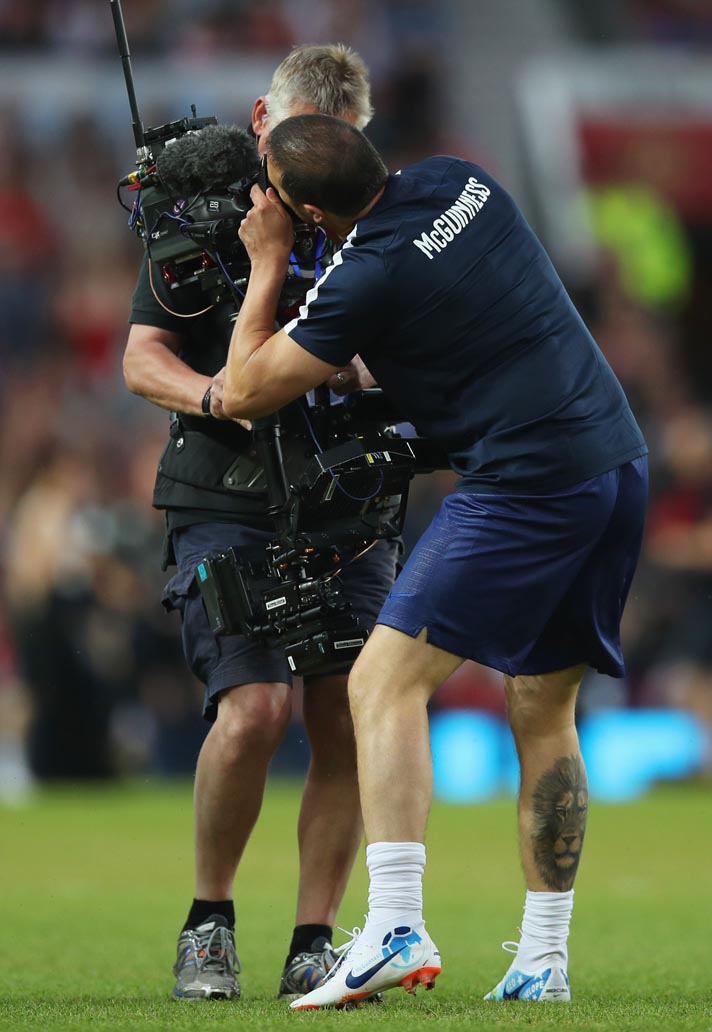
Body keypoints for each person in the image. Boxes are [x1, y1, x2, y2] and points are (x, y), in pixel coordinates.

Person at [220, 114, 649, 1008]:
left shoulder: (363, 273)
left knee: (382, 684)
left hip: (527, 482)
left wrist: (266, 261)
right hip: (615, 462)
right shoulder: (464, 180)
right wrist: (375, 368)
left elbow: (246, 390)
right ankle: (543, 960)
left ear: (305, 210)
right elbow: (468, 312)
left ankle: (395, 923)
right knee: (542, 705)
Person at [122, 48, 399, 1002]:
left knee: (346, 715)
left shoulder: (383, 220)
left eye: (336, 142)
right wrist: (218, 396)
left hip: (348, 499)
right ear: (259, 121)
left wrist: (366, 375)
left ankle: (315, 940)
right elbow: (142, 357)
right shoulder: (200, 214)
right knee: (253, 710)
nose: (316, 160)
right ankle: (209, 922)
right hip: (225, 495)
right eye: (297, 136)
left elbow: (419, 350)